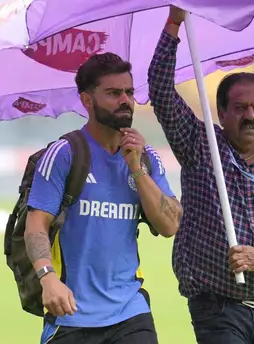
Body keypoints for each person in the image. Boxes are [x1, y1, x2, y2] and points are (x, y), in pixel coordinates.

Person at [147, 6, 254, 344]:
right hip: (218, 309)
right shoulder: (200, 146)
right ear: (221, 112)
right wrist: (174, 23)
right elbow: (161, 90)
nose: (250, 115)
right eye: (240, 108)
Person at [25, 53, 184, 344]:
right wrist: (47, 279)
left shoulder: (146, 158)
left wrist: (136, 168)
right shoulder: (64, 153)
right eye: (113, 93)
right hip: (71, 312)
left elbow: (170, 224)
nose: (125, 100)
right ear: (87, 101)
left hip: (130, 313)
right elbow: (36, 225)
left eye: (129, 92)